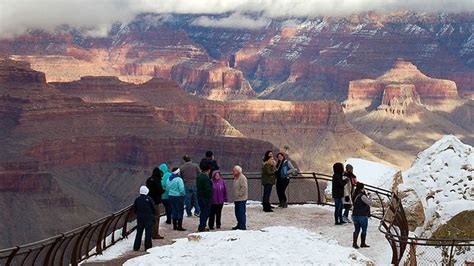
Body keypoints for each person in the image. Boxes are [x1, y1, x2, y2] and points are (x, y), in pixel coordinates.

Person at [133, 186, 155, 251]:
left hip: (140, 218)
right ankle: (148, 247)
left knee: (139, 232)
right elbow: (153, 208)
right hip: (148, 217)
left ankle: (136, 247)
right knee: (148, 232)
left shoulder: (137, 199)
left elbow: (135, 209)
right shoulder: (149, 199)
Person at [146, 167, 165, 239]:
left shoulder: (149, 180)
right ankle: (155, 234)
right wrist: (163, 190)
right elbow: (159, 190)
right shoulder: (157, 180)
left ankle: (149, 233)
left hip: (149, 201)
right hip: (155, 202)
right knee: (156, 217)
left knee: (150, 217)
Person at [352, 182, 373, 249]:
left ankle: (354, 243)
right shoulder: (362, 196)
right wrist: (370, 196)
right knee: (364, 230)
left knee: (357, 229)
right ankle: (362, 243)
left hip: (355, 215)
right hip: (362, 215)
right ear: (362, 188)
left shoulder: (355, 194)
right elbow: (370, 203)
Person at [196, 163, 213, 232]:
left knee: (202, 211)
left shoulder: (199, 177)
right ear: (208, 170)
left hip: (200, 197)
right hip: (205, 198)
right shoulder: (206, 178)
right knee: (205, 212)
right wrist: (210, 196)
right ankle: (202, 226)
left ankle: (201, 225)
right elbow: (207, 189)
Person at [232, 165, 248, 230]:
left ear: (238, 171)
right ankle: (239, 224)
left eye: (234, 171)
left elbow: (244, 187)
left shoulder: (242, 178)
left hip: (241, 199)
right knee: (237, 212)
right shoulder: (236, 178)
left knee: (241, 212)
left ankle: (242, 225)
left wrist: (239, 194)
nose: (233, 172)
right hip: (237, 199)